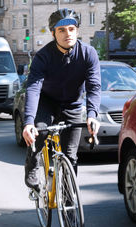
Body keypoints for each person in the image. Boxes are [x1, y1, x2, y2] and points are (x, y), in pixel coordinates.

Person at [22, 8, 101, 190]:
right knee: (39, 133)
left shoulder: (88, 54)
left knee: (71, 156)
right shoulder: (43, 56)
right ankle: (32, 165)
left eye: (72, 29)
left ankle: (68, 197)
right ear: (53, 33)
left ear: (77, 31)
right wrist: (28, 123)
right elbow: (33, 88)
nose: (68, 34)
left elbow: (94, 87)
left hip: (72, 105)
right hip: (46, 102)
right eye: (62, 30)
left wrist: (92, 114)